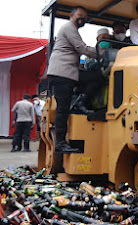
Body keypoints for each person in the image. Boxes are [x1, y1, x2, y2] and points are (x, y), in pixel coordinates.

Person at [47, 6, 97, 153]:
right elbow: (82, 48)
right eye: (80, 15)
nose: (83, 18)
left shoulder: (72, 29)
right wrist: (102, 54)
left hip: (69, 72)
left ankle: (80, 102)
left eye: (85, 17)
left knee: (95, 78)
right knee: (62, 108)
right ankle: (60, 143)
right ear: (71, 15)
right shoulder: (69, 28)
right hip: (62, 73)